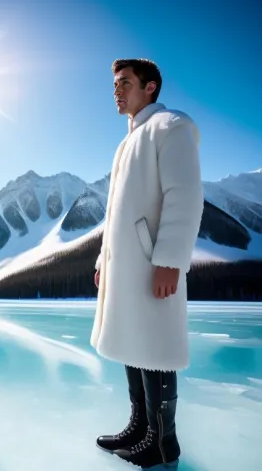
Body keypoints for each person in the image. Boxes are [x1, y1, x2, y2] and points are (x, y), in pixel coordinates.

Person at [91, 59, 204, 469]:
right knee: (133, 342)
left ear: (150, 87)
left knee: (155, 347)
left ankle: (162, 443)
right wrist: (105, 259)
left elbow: (185, 195)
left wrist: (171, 260)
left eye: (125, 83)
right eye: (114, 85)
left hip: (153, 264)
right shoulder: (128, 142)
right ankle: (140, 428)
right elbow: (116, 214)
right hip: (126, 267)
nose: (117, 91)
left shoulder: (169, 127)